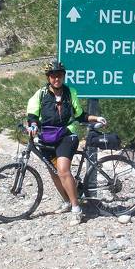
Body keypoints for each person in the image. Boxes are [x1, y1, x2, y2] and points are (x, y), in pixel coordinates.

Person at [26, 60, 107, 226]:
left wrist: (95, 118)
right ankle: (67, 201)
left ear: (63, 76)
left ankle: (76, 209)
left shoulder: (71, 92)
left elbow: (79, 115)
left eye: (60, 75)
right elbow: (32, 115)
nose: (57, 79)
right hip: (47, 137)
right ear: (48, 77)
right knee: (53, 171)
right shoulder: (40, 94)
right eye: (53, 76)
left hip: (67, 135)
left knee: (63, 170)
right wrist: (33, 125)